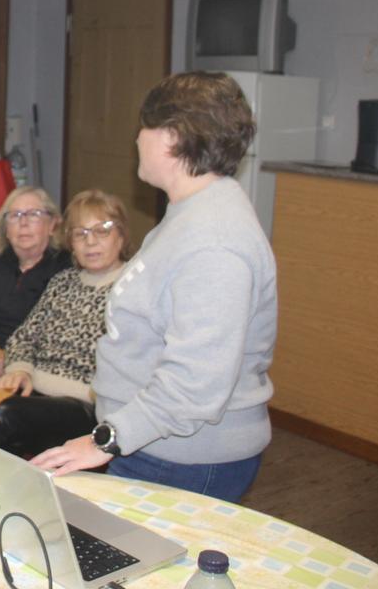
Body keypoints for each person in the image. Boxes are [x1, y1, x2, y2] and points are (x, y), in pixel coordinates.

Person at [31, 71, 276, 504]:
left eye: (144, 127)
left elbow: (195, 385)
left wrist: (103, 441)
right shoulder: (191, 214)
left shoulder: (215, 241)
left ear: (173, 137)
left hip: (183, 456)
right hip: (153, 443)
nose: (136, 140)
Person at [0, 189, 131, 458]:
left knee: (5, 414)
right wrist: (21, 370)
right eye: (80, 234)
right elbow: (22, 337)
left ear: (121, 235)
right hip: (34, 393)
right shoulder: (63, 282)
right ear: (71, 242)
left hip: (88, 407)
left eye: (102, 231)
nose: (90, 242)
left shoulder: (132, 288)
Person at [0, 186, 72, 379]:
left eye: (34, 214)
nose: (23, 222)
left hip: (31, 370)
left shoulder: (65, 271)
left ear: (52, 224)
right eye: (15, 215)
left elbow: (60, 341)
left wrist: (11, 365)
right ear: (6, 229)